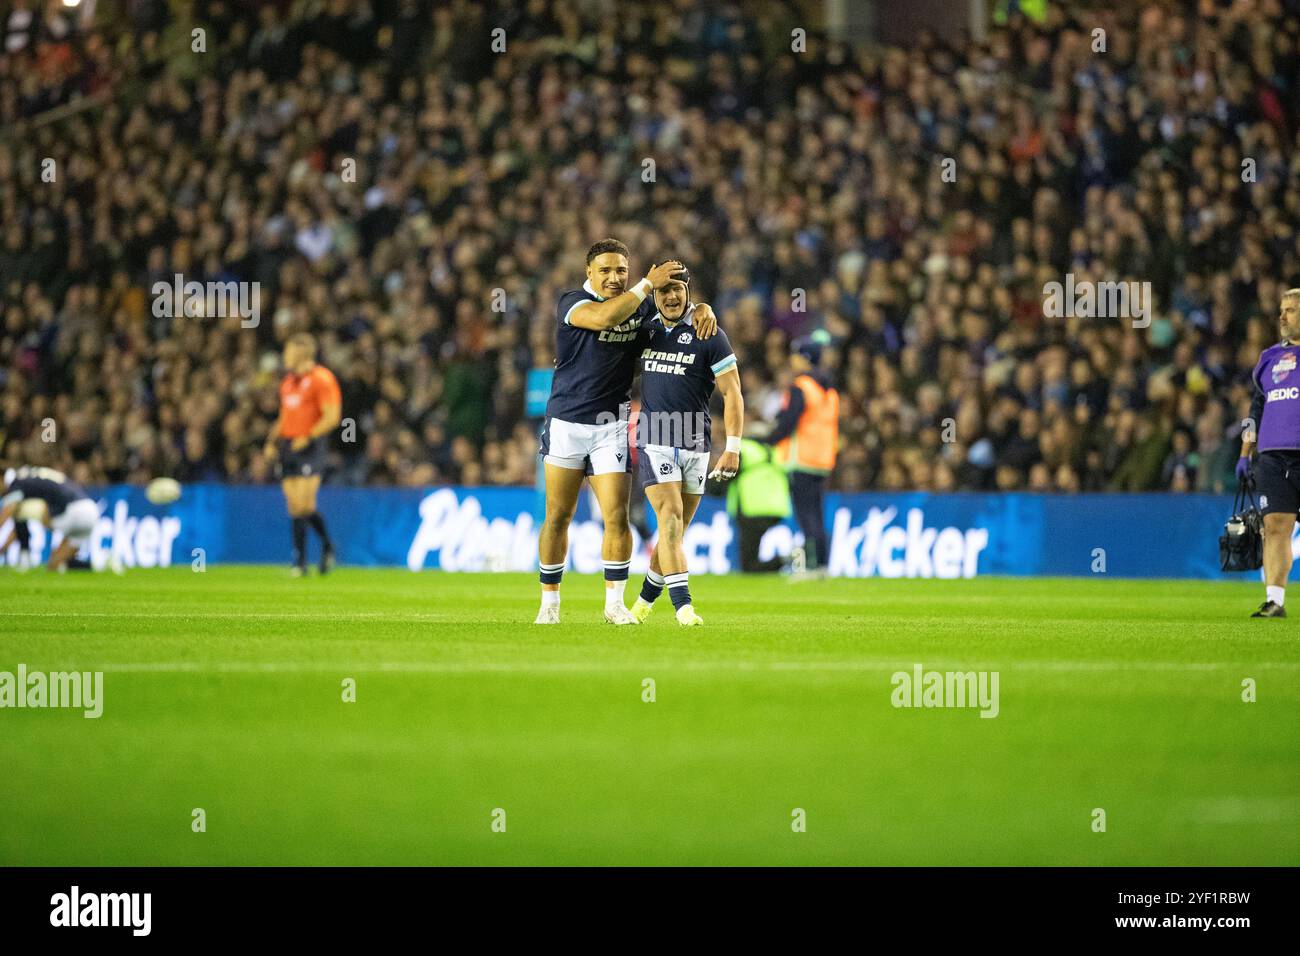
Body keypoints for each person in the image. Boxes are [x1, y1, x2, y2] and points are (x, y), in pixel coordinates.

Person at [534, 239, 718, 624]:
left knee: (617, 515)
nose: (614, 277)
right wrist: (646, 286)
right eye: (605, 270)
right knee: (558, 516)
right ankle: (549, 604)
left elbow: (675, 309)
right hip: (567, 421)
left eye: (621, 270)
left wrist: (701, 307)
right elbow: (605, 320)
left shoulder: (642, 306)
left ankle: (614, 604)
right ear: (589, 273)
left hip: (612, 425)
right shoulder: (571, 303)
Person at [627, 262, 743, 625]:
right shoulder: (644, 330)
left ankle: (643, 604)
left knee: (673, 534)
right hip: (654, 440)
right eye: (664, 291)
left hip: (696, 446)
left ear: (689, 293)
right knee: (671, 519)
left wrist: (733, 446)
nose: (672, 296)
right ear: (655, 294)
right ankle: (684, 607)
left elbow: (733, 392)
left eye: (678, 289)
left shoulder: (708, 332)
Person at [1238, 288, 1300, 618]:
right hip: (1273, 457)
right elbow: (1256, 410)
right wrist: (1244, 452)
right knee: (1275, 526)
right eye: (1281, 309)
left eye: (1290, 310)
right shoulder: (1268, 358)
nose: (1282, 316)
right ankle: (1275, 600)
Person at [263, 332, 341, 576]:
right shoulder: (288, 382)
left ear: (302, 354)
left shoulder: (322, 379)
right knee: (295, 506)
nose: (284, 357)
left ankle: (312, 554)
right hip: (288, 445)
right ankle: (305, 558)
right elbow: (285, 415)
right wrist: (272, 441)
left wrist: (307, 436)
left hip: (311, 447)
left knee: (305, 503)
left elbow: (332, 417)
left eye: (288, 352)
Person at [765, 332, 840, 574]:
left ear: (805, 359)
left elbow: (789, 421)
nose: (792, 359)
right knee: (817, 513)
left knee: (805, 515)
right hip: (823, 460)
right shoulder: (828, 389)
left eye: (796, 355)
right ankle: (822, 564)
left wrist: (769, 439)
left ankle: (810, 564)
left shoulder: (802, 387)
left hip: (802, 459)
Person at [0, 465, 100, 572]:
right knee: (53, 566)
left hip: (71, 511)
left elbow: (8, 512)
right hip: (91, 510)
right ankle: (85, 566)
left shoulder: (17, 482)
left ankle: (25, 557)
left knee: (20, 510)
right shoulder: (27, 475)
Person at [725, 433, 792, 572]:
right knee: (751, 561)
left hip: (751, 508)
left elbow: (726, 475)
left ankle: (785, 560)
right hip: (776, 507)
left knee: (748, 564)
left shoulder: (743, 449)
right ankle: (784, 560)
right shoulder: (775, 451)